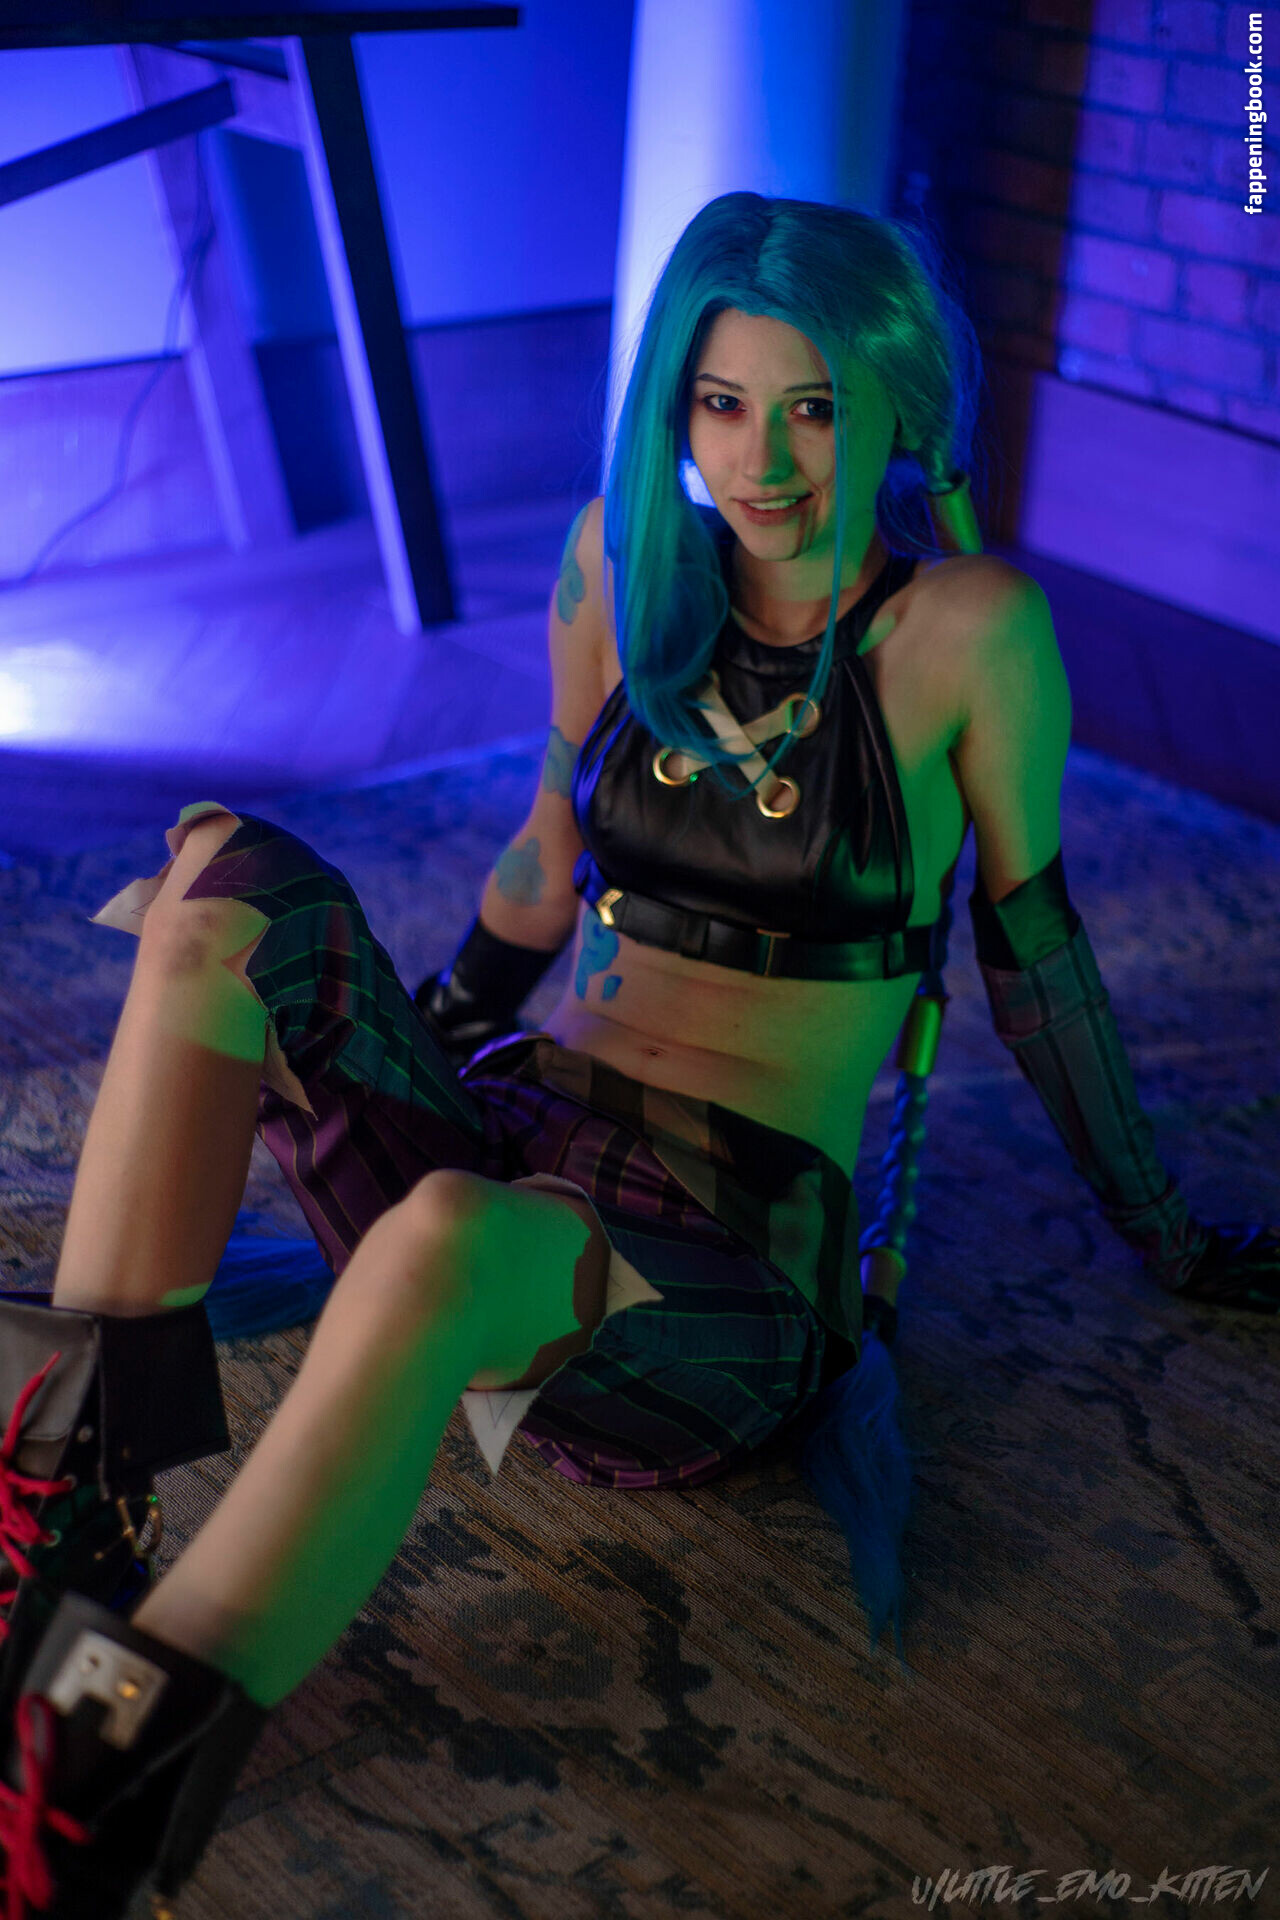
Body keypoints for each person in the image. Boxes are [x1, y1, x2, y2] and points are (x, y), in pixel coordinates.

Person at [1, 191, 1276, 1920]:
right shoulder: (622, 561)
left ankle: (84, 1793)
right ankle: (61, 1522)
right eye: (723, 403)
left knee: (443, 1235)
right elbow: (542, 872)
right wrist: (394, 1056)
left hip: (717, 1269)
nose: (765, 459)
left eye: (814, 407)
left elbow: (1039, 966)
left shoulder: (970, 633)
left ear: (897, 401)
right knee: (219, 886)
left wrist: (1170, 1233)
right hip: (523, 1132)